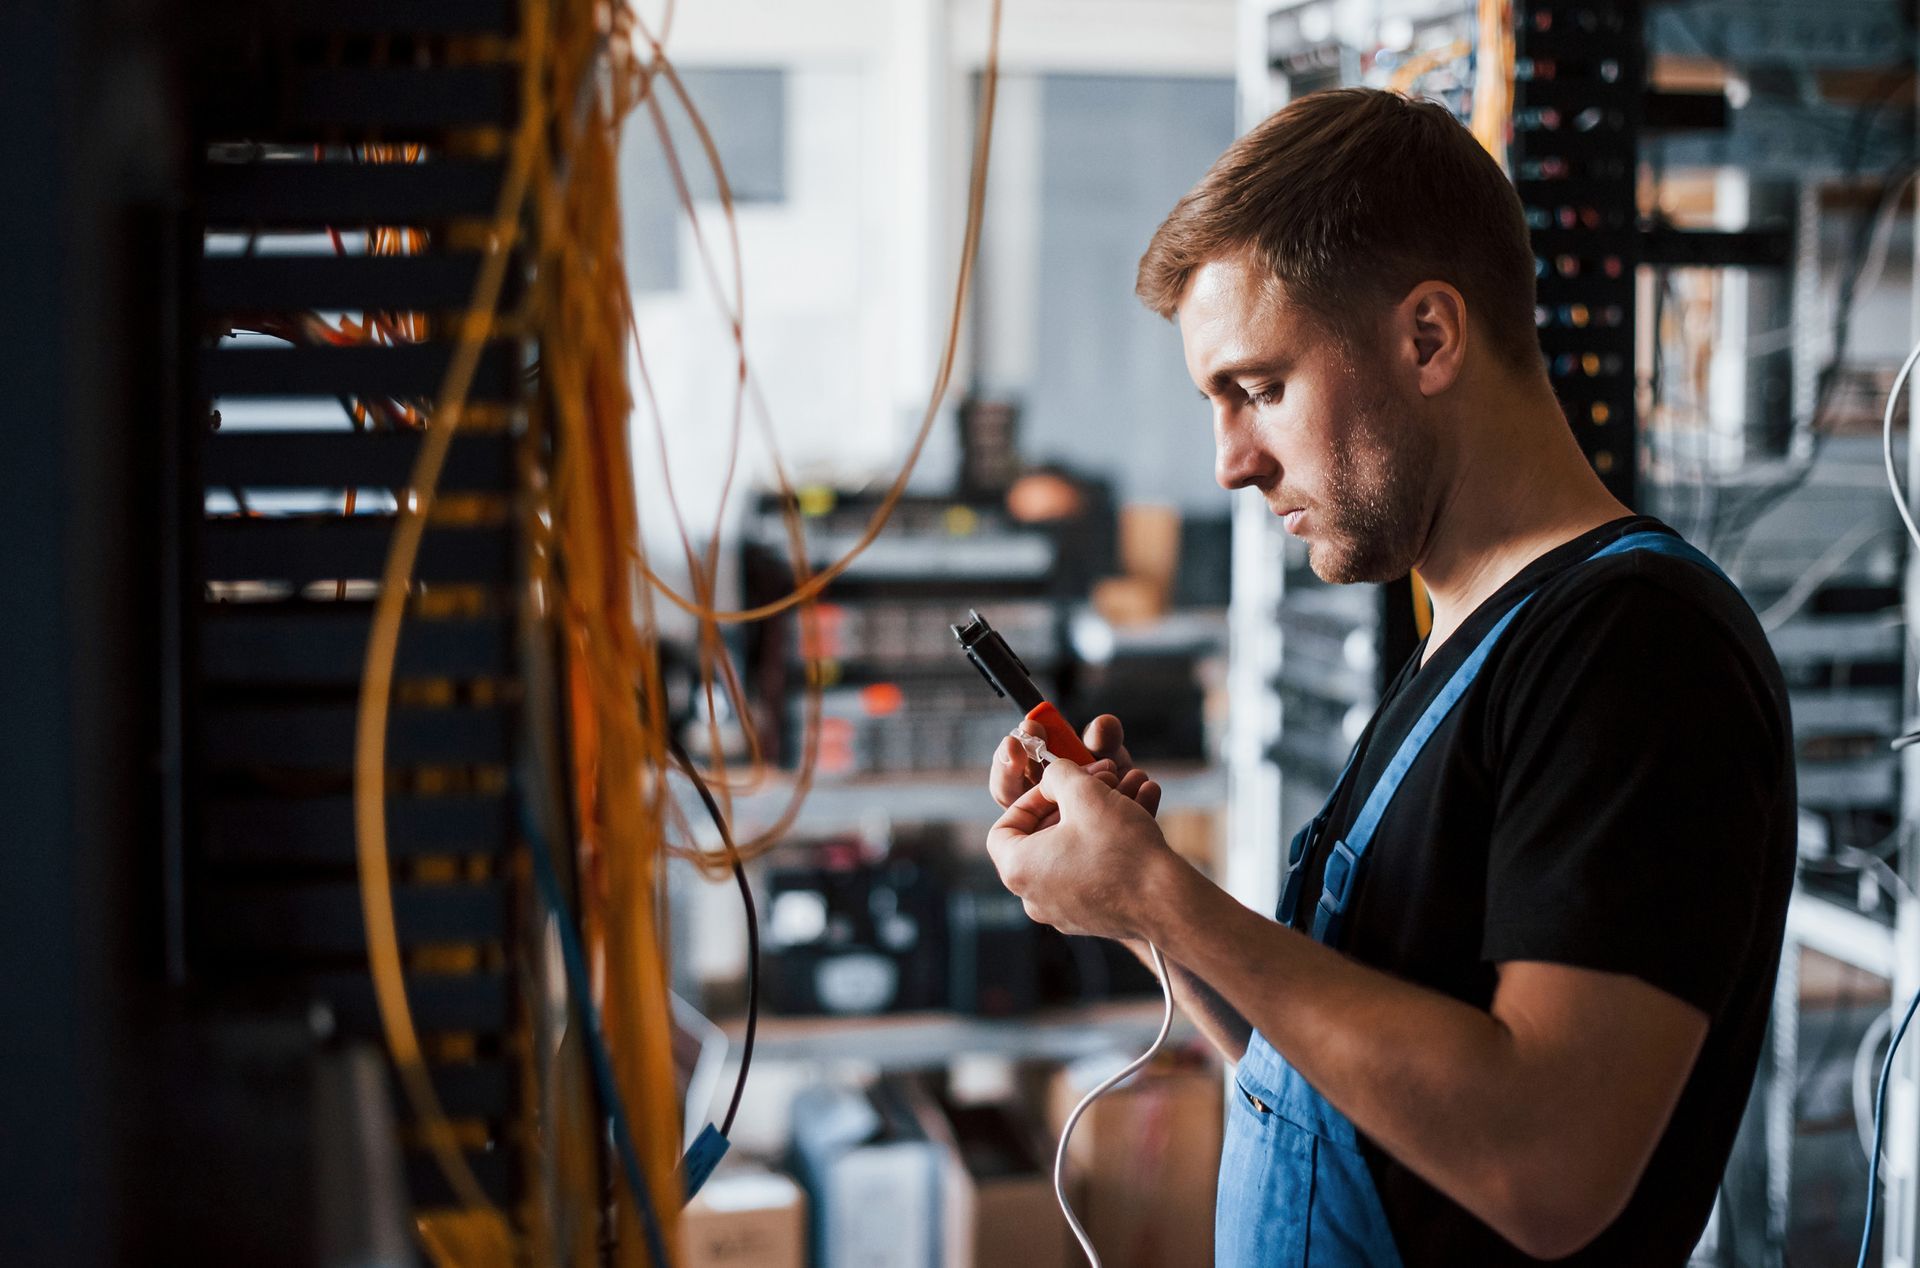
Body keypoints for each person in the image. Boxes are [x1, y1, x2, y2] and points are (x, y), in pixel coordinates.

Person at [983, 88, 1795, 1267]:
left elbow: (1547, 1159)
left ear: (1428, 337)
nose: (1230, 463)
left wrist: (1169, 897)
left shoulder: (1635, 650)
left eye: (1258, 388)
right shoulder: (1461, 637)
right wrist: (1138, 907)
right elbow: (1343, 1095)